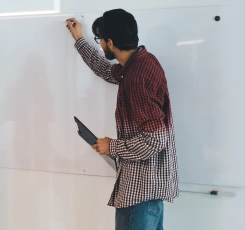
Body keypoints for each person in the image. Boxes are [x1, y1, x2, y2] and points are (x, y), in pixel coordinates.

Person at [65, 9, 178, 230]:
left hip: (140, 194)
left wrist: (112, 146)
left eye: (100, 41)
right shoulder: (141, 63)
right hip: (147, 191)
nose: (101, 45)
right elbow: (107, 71)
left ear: (110, 42)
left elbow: (155, 140)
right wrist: (80, 40)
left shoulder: (136, 78)